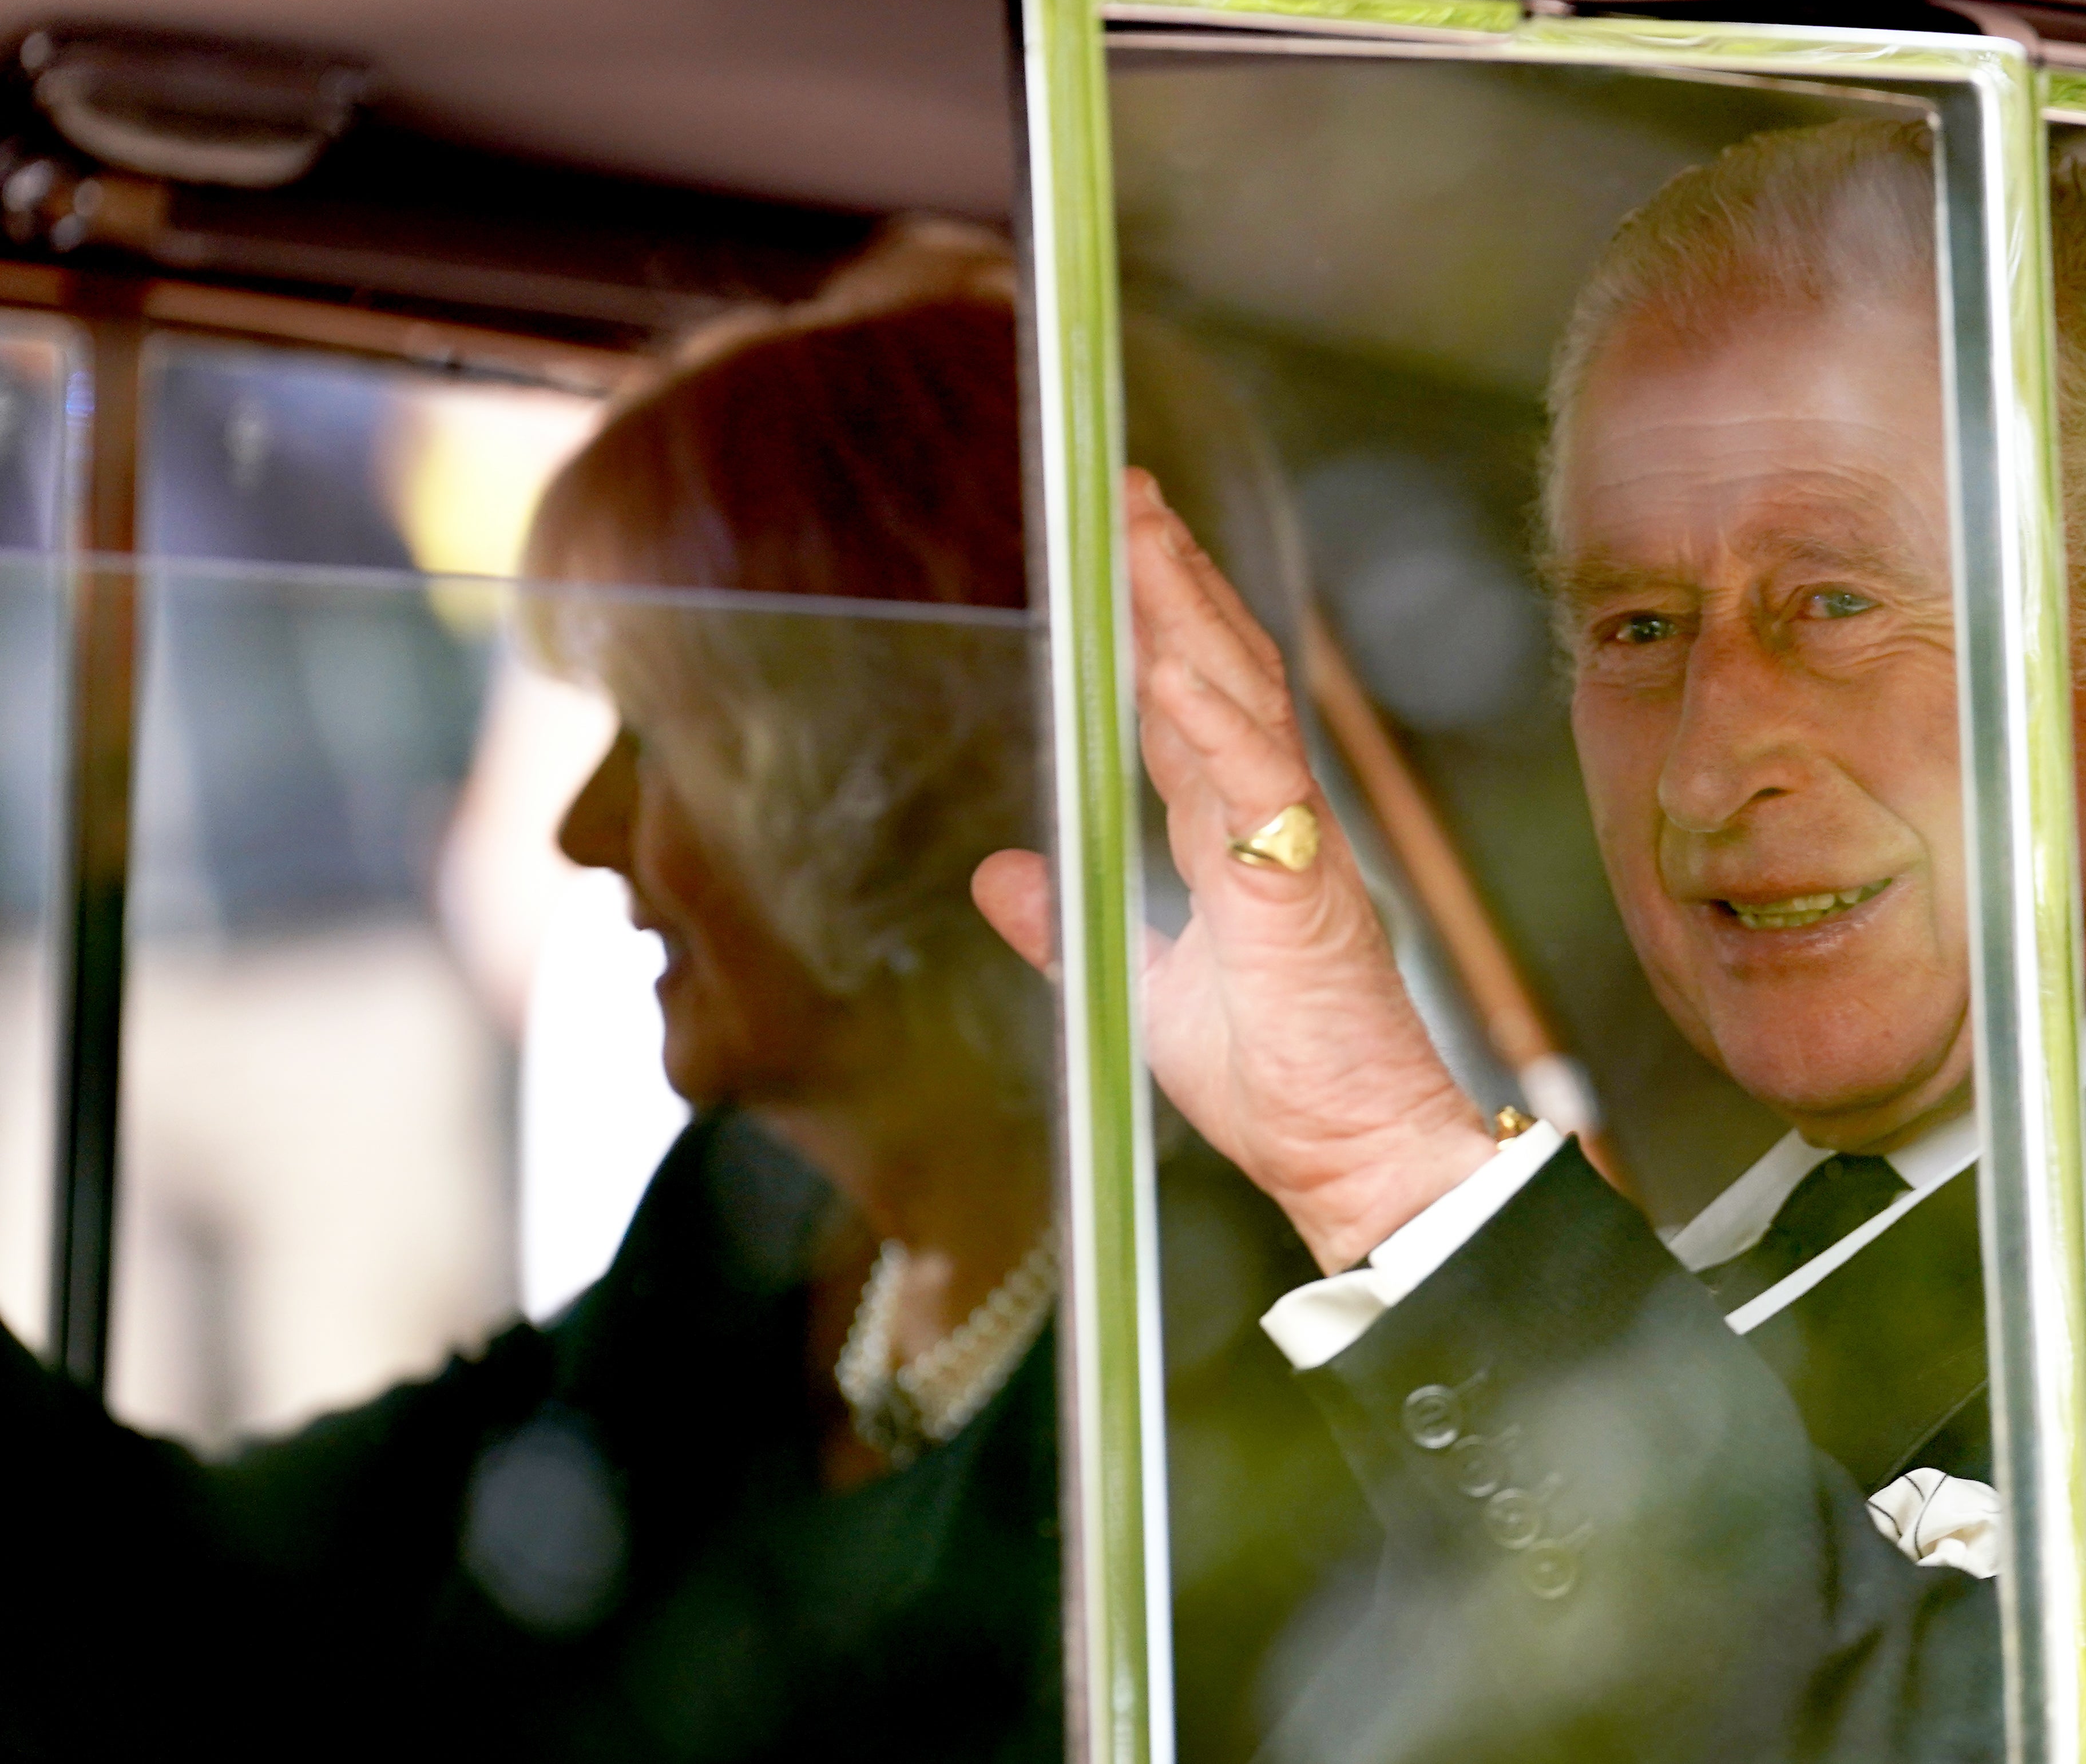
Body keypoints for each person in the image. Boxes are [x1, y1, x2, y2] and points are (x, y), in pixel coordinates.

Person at [975, 121, 2086, 1761]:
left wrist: (1386, 1159)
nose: (1700, 766)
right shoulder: (1729, 1219)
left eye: (1835, 603)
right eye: (1632, 628)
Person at [4, 225, 1358, 1763]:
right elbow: (251, 1595)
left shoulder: (1188, 1364)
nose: (582, 831)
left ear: (887, 768)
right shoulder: (747, 1221)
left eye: (657, 737)